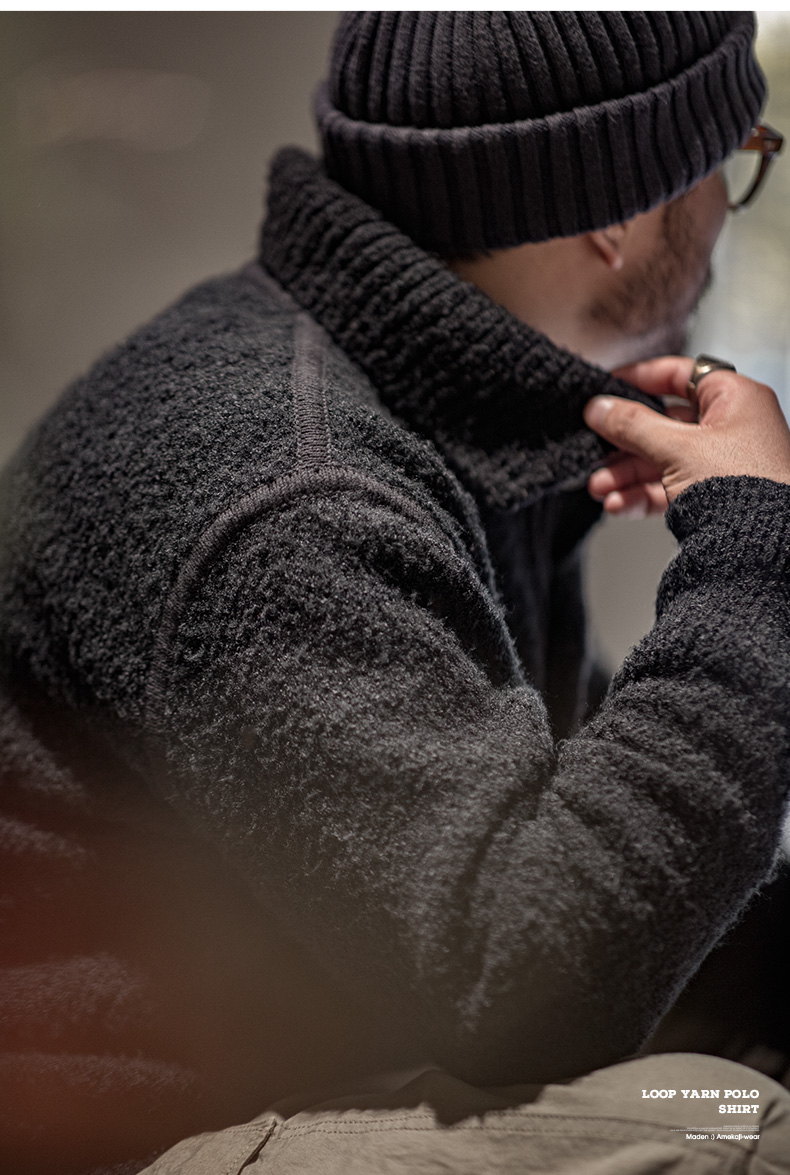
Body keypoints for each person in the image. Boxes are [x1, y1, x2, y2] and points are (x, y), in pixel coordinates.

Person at [2, 11, 790, 1174]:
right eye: (734, 159)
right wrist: (756, 554)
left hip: (340, 1040)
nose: (730, 203)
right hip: (127, 1136)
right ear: (617, 214)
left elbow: (597, 867)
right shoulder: (291, 490)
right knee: (735, 1129)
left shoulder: (445, 410)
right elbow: (529, 979)